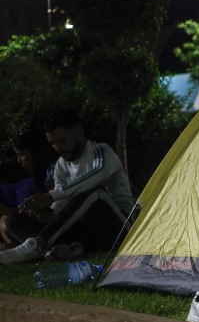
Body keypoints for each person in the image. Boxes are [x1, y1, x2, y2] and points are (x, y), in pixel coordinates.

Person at [0, 110, 135, 265]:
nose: (57, 148)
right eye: (53, 143)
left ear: (79, 133)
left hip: (118, 226)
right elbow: (62, 202)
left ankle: (39, 244)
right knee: (13, 221)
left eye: (62, 141)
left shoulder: (102, 151)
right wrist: (48, 213)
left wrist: (50, 196)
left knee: (95, 191)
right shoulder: (60, 165)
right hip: (84, 228)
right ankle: (60, 249)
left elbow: (98, 175)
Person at [0, 130, 58, 248]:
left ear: (35, 152)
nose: (19, 160)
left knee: (11, 221)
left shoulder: (54, 169)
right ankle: (19, 245)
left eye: (22, 155)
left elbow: (56, 205)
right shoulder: (38, 177)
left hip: (57, 224)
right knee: (4, 220)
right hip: (43, 223)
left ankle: (32, 246)